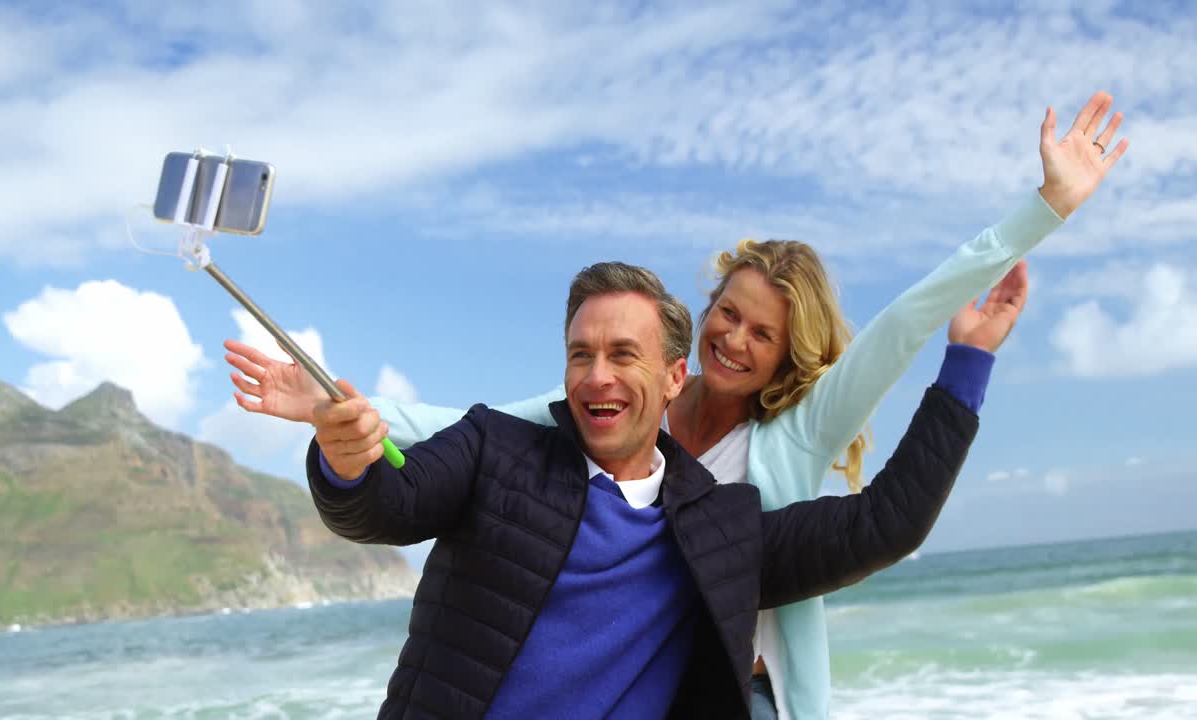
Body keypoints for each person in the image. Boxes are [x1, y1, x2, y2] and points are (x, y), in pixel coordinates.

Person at [225, 90, 1126, 719]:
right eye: (726, 315)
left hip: (743, 683)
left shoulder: (763, 472)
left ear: (680, 369)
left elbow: (898, 340)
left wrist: (1028, 233)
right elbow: (425, 456)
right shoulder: (559, 423)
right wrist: (336, 420)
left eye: (760, 334)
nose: (736, 339)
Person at [306, 260, 999, 718]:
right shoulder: (496, 449)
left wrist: (969, 360)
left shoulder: (719, 530)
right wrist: (343, 460)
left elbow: (888, 521)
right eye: (582, 355)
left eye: (623, 355)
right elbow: (386, 504)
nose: (597, 376)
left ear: (673, 378)